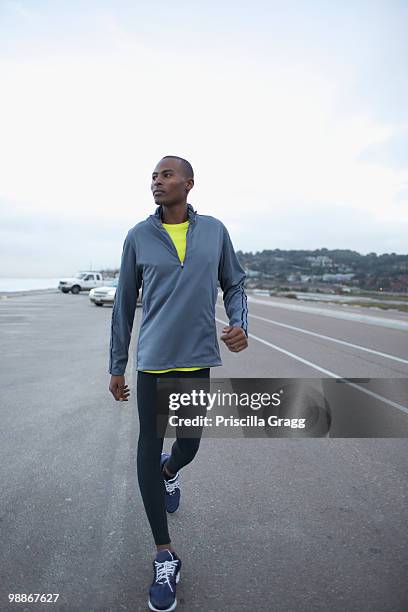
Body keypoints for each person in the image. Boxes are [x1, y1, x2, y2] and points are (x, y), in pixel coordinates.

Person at [108, 155, 248, 611]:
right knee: (148, 444)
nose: (157, 181)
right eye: (153, 176)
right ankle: (164, 554)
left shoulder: (215, 231)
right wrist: (117, 365)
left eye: (166, 175)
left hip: (196, 360)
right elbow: (124, 304)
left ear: (189, 183)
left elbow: (235, 283)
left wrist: (239, 323)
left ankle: (171, 471)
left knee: (187, 446)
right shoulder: (138, 237)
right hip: (152, 364)